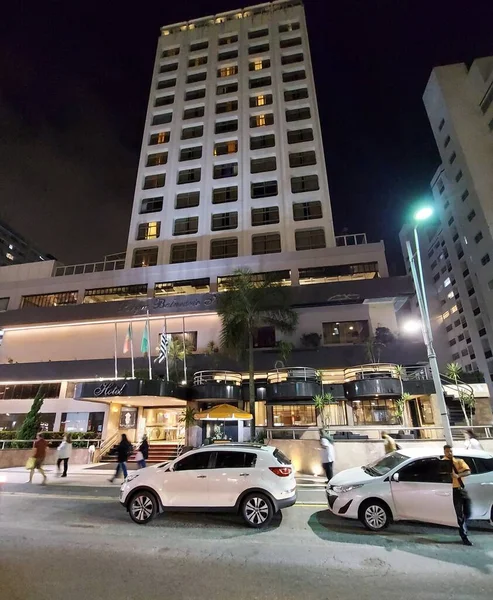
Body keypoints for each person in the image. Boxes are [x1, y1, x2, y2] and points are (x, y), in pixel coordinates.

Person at [443, 444, 473, 546]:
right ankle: (464, 536)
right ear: (444, 452)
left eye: (451, 451)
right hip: (452, 490)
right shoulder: (443, 463)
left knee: (468, 511)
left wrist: (458, 475)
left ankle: (464, 524)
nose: (449, 453)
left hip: (461, 489)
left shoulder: (459, 461)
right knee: (459, 514)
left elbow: (468, 471)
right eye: (447, 452)